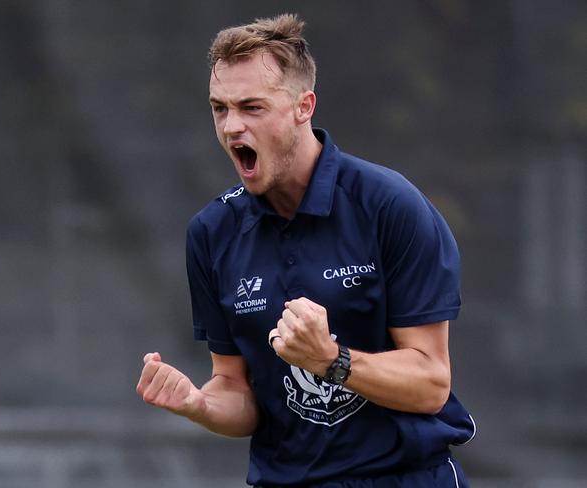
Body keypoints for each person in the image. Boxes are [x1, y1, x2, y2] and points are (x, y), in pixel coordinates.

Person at [136, 13, 476, 487]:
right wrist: (200, 404)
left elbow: (431, 384)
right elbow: (236, 389)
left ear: (303, 106)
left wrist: (330, 360)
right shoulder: (212, 233)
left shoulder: (389, 205)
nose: (232, 126)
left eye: (252, 107)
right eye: (220, 108)